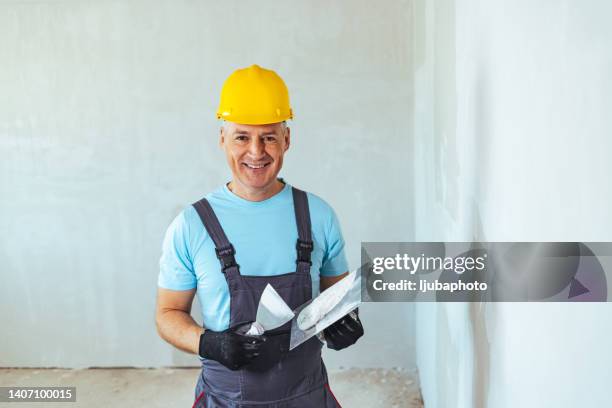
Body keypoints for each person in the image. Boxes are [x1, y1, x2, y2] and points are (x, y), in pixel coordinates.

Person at [155, 64, 364, 407]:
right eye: (242, 137)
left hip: (306, 397)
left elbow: (338, 304)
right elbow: (167, 314)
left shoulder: (319, 216)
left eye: (268, 136)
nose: (256, 152)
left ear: (287, 139)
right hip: (225, 399)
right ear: (222, 138)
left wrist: (345, 325)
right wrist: (208, 342)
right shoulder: (191, 225)